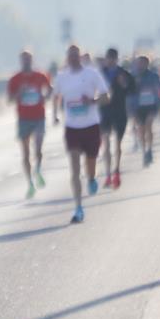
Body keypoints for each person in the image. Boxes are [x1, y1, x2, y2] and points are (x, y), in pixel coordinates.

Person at [53, 45, 110, 223]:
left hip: (91, 125)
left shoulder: (92, 74)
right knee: (75, 169)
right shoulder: (62, 77)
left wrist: (92, 101)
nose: (73, 59)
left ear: (80, 57)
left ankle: (92, 178)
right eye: (70, 56)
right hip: (72, 128)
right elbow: (56, 96)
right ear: (67, 58)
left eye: (75, 56)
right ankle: (78, 207)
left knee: (90, 163)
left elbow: (106, 97)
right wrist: (54, 114)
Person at [7, 51, 53, 198]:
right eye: (24, 59)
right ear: (21, 61)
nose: (26, 62)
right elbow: (9, 100)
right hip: (24, 118)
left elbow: (50, 88)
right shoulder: (15, 79)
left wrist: (46, 96)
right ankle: (30, 184)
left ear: (32, 60)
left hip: (39, 116)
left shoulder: (41, 75)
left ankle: (38, 170)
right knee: (25, 153)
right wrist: (19, 93)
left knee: (38, 149)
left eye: (29, 59)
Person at [99, 47, 135, 189]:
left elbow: (132, 90)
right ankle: (108, 174)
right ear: (106, 58)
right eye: (109, 58)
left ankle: (117, 170)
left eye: (113, 58)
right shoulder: (100, 74)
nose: (111, 60)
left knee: (118, 144)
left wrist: (123, 84)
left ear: (116, 59)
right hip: (104, 112)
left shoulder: (123, 73)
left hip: (120, 111)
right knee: (106, 142)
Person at [133, 55, 160, 166]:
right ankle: (144, 151)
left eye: (142, 63)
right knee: (141, 130)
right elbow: (130, 93)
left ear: (147, 64)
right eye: (138, 63)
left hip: (151, 105)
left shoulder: (153, 76)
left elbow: (159, 89)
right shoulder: (134, 76)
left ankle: (150, 150)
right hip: (139, 107)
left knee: (149, 126)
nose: (140, 65)